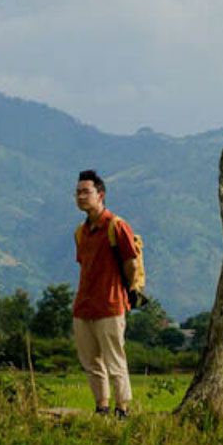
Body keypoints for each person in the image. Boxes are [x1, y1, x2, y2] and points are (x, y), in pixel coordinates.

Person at [72, 168, 138, 417]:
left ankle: (122, 409)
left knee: (115, 361)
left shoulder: (116, 226)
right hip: (84, 306)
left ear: (100, 195)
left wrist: (129, 288)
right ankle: (101, 406)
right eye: (77, 192)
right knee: (91, 363)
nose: (80, 197)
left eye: (86, 192)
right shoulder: (81, 232)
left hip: (111, 305)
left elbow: (130, 262)